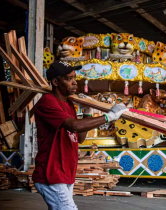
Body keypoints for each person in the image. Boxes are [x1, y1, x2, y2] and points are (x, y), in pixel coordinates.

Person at [33, 60, 128, 210]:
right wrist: (109, 116)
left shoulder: (69, 104)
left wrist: (86, 111)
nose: (74, 83)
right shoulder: (47, 102)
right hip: (51, 174)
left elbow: (80, 137)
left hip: (65, 174)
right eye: (68, 79)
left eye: (74, 78)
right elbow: (73, 126)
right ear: (55, 82)